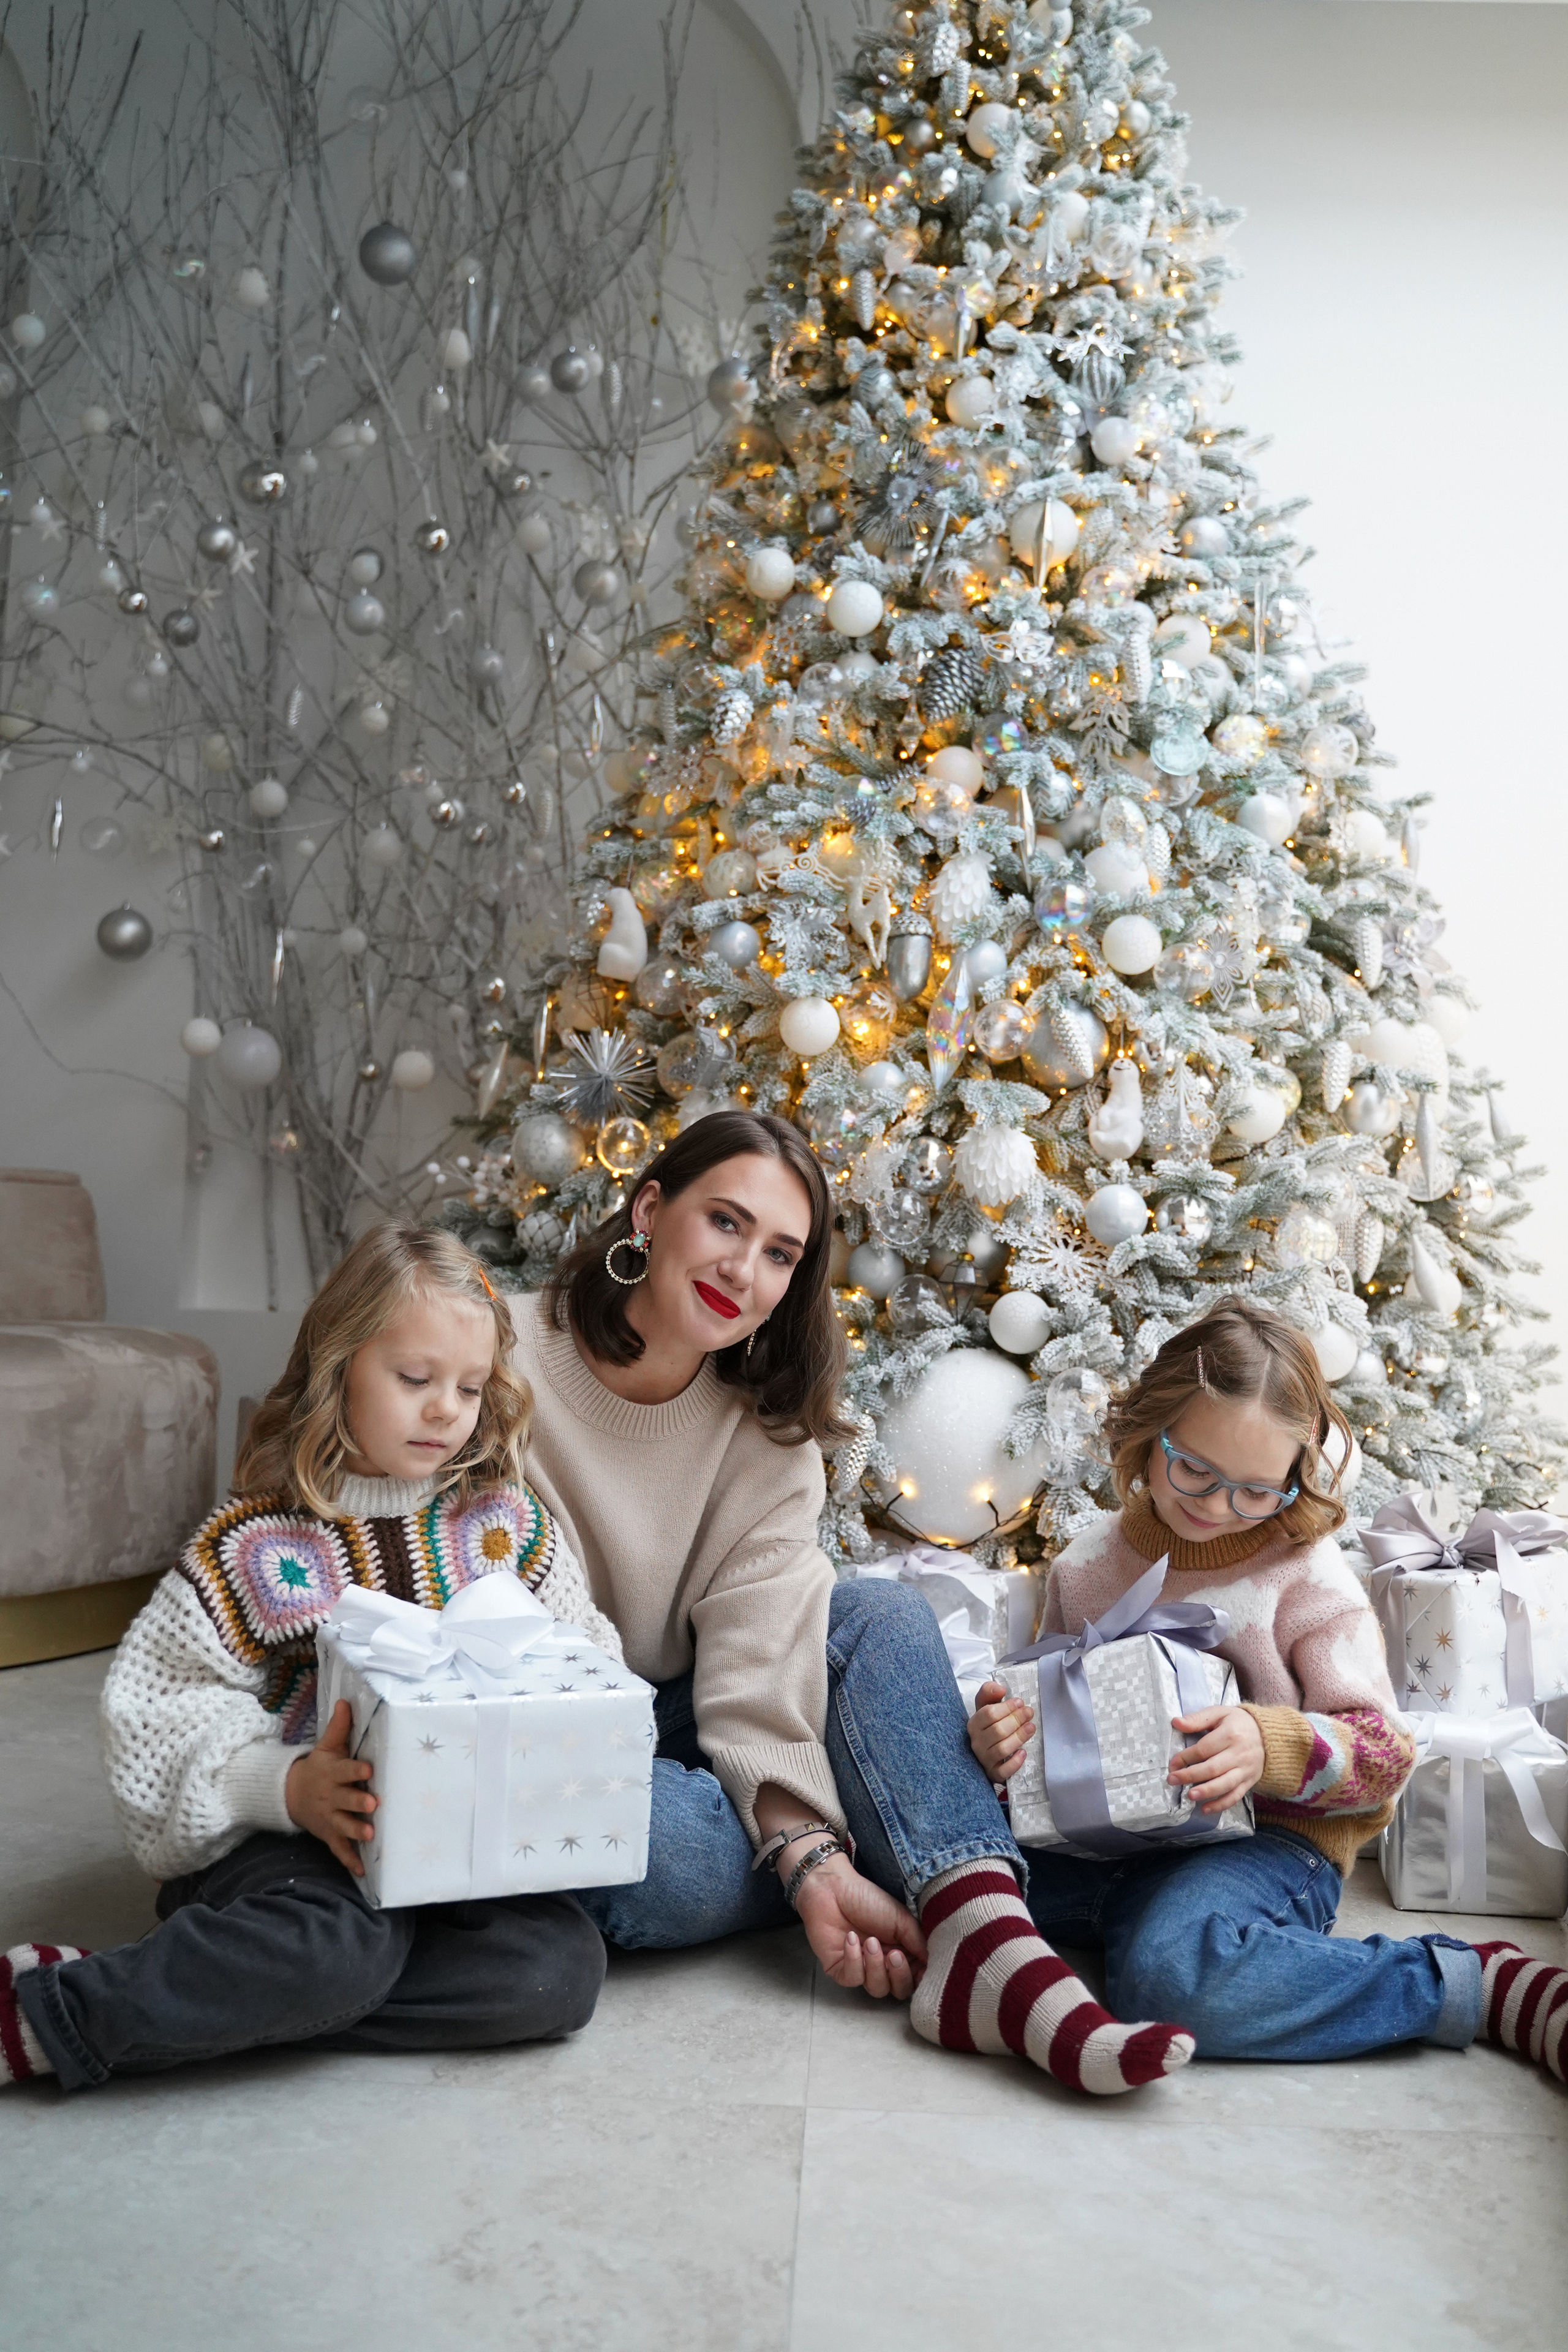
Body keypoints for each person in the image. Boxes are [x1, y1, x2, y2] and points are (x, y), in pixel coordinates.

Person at [513, 1109, 1193, 2094]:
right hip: (549, 1726)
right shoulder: (498, 1355)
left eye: (782, 1253)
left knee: (882, 1615)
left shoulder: (767, 1439)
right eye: (725, 1223)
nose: (745, 1270)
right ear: (650, 1209)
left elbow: (755, 1661)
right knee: (655, 1852)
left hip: (687, 1707)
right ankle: (921, 1856)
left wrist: (808, 1860)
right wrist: (811, 1862)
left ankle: (985, 1945)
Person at [1, 1224, 609, 2094]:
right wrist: (285, 1785)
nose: (446, 1408)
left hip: (445, 1850)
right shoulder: (260, 1545)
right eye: (414, 1379)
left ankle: (232, 1995)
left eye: (470, 1388)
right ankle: (48, 2010)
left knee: (557, 1971)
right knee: (337, 1945)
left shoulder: (501, 1525)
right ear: (338, 1367)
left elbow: (579, 1650)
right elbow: (153, 1713)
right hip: (282, 1852)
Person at [965, 1297, 1568, 2086]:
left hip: (1270, 1846)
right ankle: (1155, 1931)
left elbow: (1388, 1755)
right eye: (1195, 1471)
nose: (1219, 1507)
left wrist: (1271, 1745)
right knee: (952, 1888)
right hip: (1104, 1838)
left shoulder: (1305, 1575)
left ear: (1294, 1477)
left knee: (1171, 1980)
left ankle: (1475, 1985)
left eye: (1257, 1490)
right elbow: (1042, 1710)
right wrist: (1001, 1740)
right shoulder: (1086, 1566)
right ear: (1151, 1434)